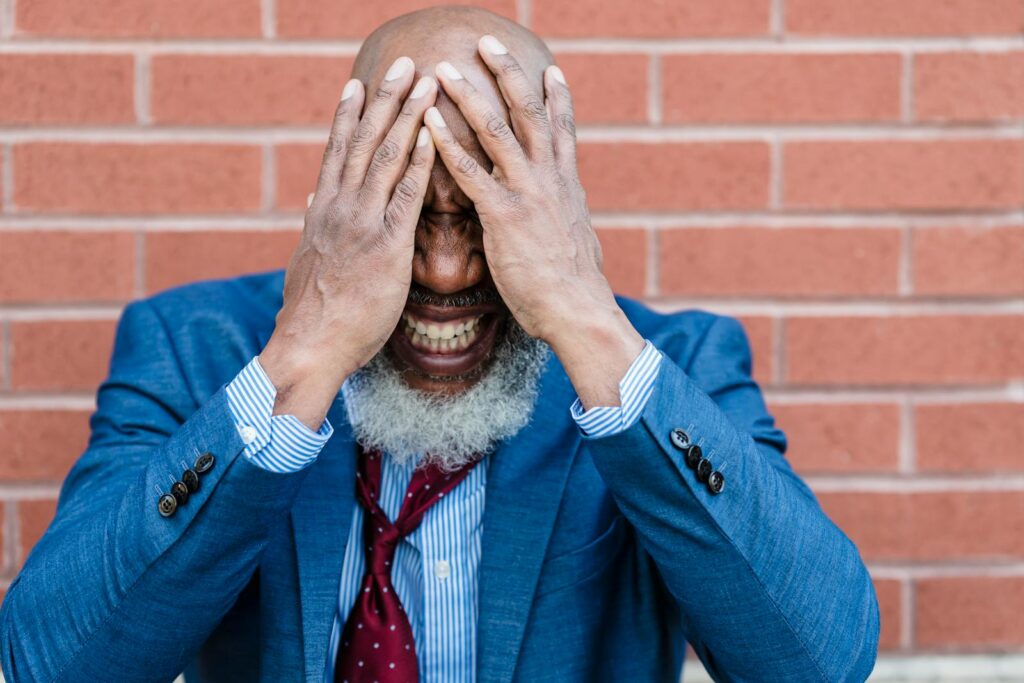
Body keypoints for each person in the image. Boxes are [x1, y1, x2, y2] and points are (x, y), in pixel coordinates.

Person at [0, 6, 879, 683]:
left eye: (485, 212)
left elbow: (818, 658)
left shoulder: (666, 368)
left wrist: (583, 317)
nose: (451, 270)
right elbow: (56, 661)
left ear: (553, 206)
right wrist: (301, 359)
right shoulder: (196, 347)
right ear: (340, 190)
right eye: (411, 213)